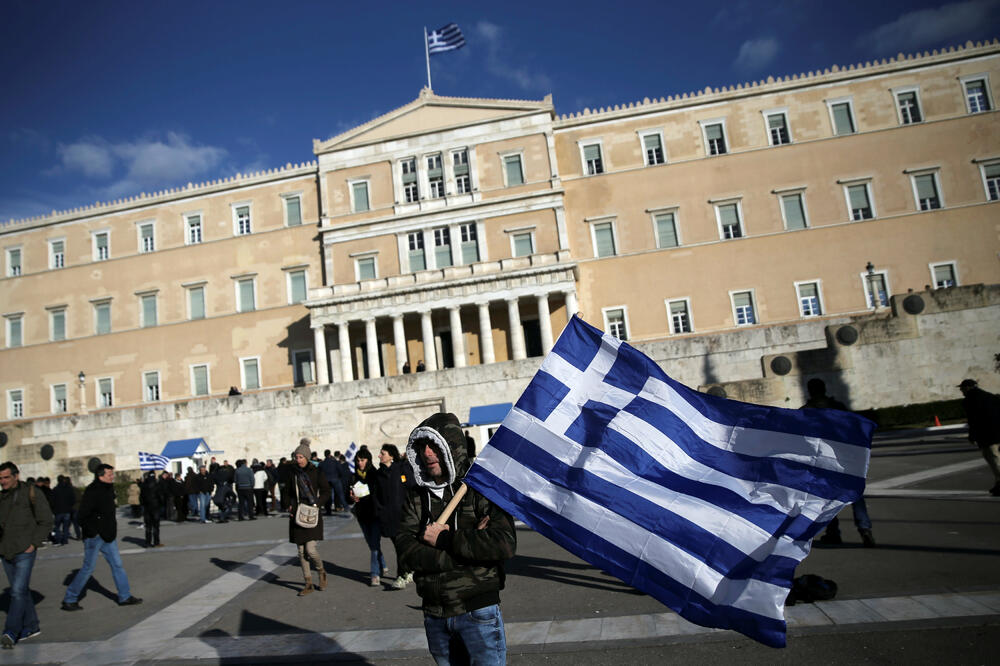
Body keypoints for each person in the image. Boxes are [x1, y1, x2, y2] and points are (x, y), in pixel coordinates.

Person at [396, 412, 516, 664]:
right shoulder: (416, 497)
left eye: (435, 446)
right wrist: (468, 551)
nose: (427, 453)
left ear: (451, 447)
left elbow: (502, 544)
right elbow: (406, 552)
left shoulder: (480, 490)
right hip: (434, 614)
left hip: (478, 611)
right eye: (422, 446)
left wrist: (444, 541)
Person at [802, 378, 876, 548]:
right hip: (845, 458)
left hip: (823, 460)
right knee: (856, 496)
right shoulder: (838, 407)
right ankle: (865, 529)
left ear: (810, 391)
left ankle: (834, 532)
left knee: (828, 499)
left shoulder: (807, 411)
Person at [61, 464, 142, 611]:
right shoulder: (93, 491)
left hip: (108, 536)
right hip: (95, 537)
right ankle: (70, 598)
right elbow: (82, 516)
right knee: (88, 568)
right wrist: (94, 531)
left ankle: (124, 596)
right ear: (101, 475)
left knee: (117, 565)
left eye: (112, 474)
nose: (112, 476)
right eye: (109, 474)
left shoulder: (108, 489)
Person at [0, 462, 53, 648]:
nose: (3, 482)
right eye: (0, 478)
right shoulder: (1, 497)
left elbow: (46, 520)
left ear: (16, 476)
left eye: (6, 477)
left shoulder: (31, 493)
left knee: (16, 591)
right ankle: (31, 626)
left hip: (25, 550)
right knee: (20, 591)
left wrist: (34, 544)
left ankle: (10, 631)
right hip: (6, 550)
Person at [288, 439, 330, 596]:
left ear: (307, 457)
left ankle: (321, 571)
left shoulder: (317, 472)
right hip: (298, 513)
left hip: (312, 514)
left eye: (300, 457)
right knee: (300, 551)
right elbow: (287, 492)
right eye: (296, 457)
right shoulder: (292, 473)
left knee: (310, 550)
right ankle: (308, 583)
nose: (297, 460)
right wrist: (289, 504)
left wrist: (317, 504)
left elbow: (326, 491)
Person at [375, 444, 416, 590]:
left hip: (404, 515)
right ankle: (408, 570)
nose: (379, 456)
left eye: (383, 453)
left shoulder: (401, 469)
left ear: (391, 456)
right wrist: (380, 511)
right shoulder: (378, 474)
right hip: (388, 517)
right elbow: (376, 495)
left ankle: (402, 575)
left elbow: (411, 486)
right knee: (400, 546)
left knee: (401, 546)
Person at [350, 447, 386, 586]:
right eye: (358, 460)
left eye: (362, 460)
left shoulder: (375, 474)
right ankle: (382, 564)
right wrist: (352, 498)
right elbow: (349, 495)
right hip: (361, 514)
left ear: (368, 460)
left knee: (374, 546)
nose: (360, 463)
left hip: (374, 513)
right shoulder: (354, 476)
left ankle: (374, 574)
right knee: (372, 543)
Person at [958, 379, 1000, 496]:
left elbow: (973, 420)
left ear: (968, 388)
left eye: (962, 388)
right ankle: (998, 484)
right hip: (996, 432)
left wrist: (972, 436)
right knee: (994, 458)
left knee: (993, 458)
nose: (961, 391)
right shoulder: (991, 396)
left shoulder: (969, 401)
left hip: (987, 435)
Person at [139, 471, 165, 548]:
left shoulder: (144, 485)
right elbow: (160, 496)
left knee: (148, 526)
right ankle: (156, 542)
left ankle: (147, 542)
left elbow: (141, 497)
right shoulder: (157, 485)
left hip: (147, 508)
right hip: (155, 507)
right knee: (156, 526)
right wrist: (161, 504)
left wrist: (143, 504)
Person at [51, 475, 76, 546]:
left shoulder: (55, 489)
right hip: (67, 510)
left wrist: (53, 509)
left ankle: (58, 539)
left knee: (57, 526)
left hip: (58, 511)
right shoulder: (68, 489)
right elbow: (73, 499)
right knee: (65, 527)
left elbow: (52, 501)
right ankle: (65, 540)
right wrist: (69, 507)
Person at [320, 449, 339, 515]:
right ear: (329, 454)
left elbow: (319, 471)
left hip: (325, 480)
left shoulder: (322, 463)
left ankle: (328, 509)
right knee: (335, 493)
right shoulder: (334, 461)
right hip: (334, 479)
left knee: (328, 495)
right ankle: (338, 506)